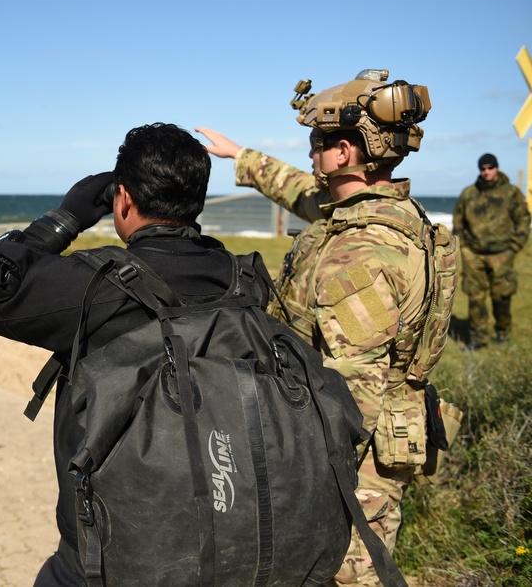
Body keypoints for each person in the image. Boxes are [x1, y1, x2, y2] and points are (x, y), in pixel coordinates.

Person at [0, 123, 247, 586]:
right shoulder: (244, 279)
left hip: (112, 554)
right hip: (232, 534)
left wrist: (65, 217)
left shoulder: (98, 285)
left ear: (122, 200)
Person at [195, 69, 444, 586]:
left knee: (348, 573)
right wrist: (242, 157)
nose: (311, 154)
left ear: (345, 152)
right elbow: (306, 196)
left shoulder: (358, 257)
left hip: (353, 463)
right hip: (379, 439)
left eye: (317, 142)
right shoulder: (388, 213)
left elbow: (354, 395)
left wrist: (292, 466)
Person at [452, 153, 530, 349]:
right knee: (475, 298)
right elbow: (458, 222)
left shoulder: (511, 193)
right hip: (474, 255)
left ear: (496, 168)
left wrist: (513, 247)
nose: (486, 172)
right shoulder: (469, 193)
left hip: (502, 254)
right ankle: (478, 340)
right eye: (483, 169)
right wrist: (464, 248)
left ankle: (503, 333)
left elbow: (523, 220)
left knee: (501, 298)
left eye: (490, 168)